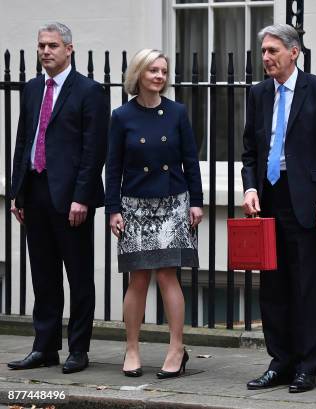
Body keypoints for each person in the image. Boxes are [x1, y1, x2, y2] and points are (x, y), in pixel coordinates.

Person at [241, 23, 316, 393]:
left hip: (306, 200)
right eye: (263, 52)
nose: (266, 58)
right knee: (272, 286)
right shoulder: (258, 93)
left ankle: (307, 366)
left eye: (272, 51)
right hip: (268, 197)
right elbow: (250, 150)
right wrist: (249, 186)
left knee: (304, 285)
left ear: (293, 52)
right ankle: (280, 361)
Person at [8, 22, 108, 374]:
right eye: (41, 45)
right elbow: (24, 140)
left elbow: (93, 150)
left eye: (52, 45)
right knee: (43, 276)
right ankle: (44, 347)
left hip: (71, 199)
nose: (46, 51)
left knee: (79, 276)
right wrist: (16, 192)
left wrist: (82, 197)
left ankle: (78, 350)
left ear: (69, 49)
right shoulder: (33, 88)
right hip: (35, 192)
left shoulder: (90, 91)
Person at [105, 49, 204, 379]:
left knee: (166, 275)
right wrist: (113, 210)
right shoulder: (121, 116)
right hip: (135, 204)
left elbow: (191, 160)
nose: (160, 76)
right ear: (139, 75)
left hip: (173, 202)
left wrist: (196, 202)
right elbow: (113, 167)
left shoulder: (177, 112)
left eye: (163, 71)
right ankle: (132, 348)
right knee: (138, 279)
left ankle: (177, 347)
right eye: (153, 71)